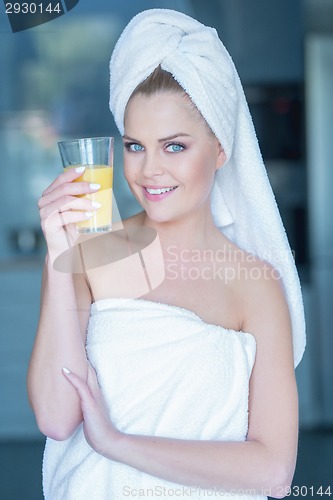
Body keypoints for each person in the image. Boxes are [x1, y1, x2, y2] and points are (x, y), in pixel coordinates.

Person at [27, 9, 306, 500]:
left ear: (220, 150)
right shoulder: (93, 251)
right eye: (135, 146)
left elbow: (274, 471)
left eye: (174, 147)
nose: (149, 171)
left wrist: (118, 443)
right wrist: (57, 256)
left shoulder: (256, 284)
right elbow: (55, 416)